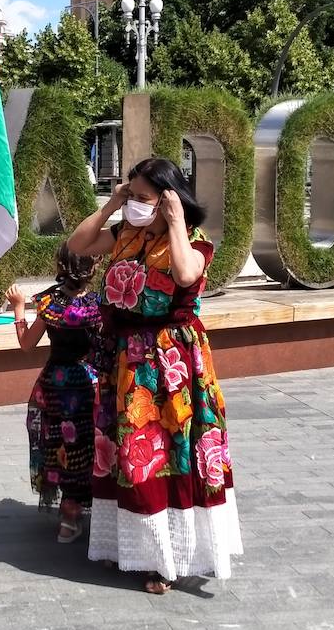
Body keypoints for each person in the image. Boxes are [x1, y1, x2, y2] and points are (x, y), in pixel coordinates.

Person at [67, 157, 241, 593]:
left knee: (170, 447)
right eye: (133, 194)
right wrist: (111, 206)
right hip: (127, 357)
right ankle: (139, 551)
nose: (136, 204)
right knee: (132, 451)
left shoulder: (192, 240)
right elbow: (78, 244)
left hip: (173, 360)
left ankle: (171, 556)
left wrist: (176, 221)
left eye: (143, 197)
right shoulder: (125, 233)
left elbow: (185, 273)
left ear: (167, 198)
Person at [5, 244, 102, 543]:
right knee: (87, 446)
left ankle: (68, 519)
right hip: (88, 384)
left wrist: (19, 308)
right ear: (92, 268)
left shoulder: (49, 303)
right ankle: (88, 508)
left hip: (55, 384)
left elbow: (26, 345)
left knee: (56, 446)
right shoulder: (100, 305)